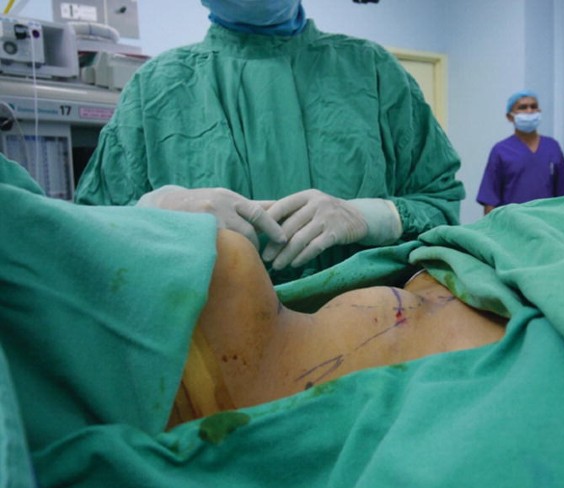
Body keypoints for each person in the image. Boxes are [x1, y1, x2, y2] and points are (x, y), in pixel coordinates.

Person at [3, 153, 564, 488]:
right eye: (105, 255)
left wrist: (381, 214)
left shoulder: (441, 263)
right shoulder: (495, 467)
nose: (180, 232)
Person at [74, 0, 465, 284]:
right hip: (208, 349)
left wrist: (369, 216)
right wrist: (157, 210)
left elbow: (440, 204)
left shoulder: (374, 72)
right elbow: (91, 236)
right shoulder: (156, 87)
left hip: (367, 337)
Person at [476, 89, 564, 215]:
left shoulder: (552, 146)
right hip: (513, 222)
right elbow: (490, 199)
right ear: (510, 116)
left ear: (539, 112)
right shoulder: (500, 150)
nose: (529, 111)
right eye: (523, 107)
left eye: (533, 106)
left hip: (548, 221)